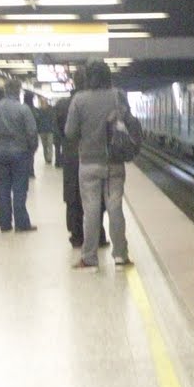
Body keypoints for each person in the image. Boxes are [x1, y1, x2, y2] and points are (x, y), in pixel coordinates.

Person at [65, 59, 132, 269]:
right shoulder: (118, 95)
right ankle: (120, 255)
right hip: (114, 162)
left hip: (88, 163)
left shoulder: (79, 99)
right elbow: (129, 123)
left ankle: (89, 257)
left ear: (87, 77)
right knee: (115, 207)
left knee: (91, 210)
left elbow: (69, 132)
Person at [58, 69, 108, 250]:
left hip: (71, 156)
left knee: (72, 197)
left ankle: (77, 235)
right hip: (94, 155)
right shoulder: (98, 102)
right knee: (95, 198)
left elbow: (63, 132)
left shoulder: (63, 105)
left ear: (73, 83)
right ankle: (99, 235)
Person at [0, 79, 39, 233]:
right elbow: (31, 132)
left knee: (2, 188)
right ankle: (21, 223)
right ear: (18, 91)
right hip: (20, 153)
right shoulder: (23, 110)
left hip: (0, 152)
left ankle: (5, 224)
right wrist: (32, 150)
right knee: (19, 188)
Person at [23, 90, 38, 178]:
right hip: (32, 135)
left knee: (24, 155)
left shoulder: (22, 108)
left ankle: (25, 171)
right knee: (31, 155)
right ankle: (31, 171)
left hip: (22, 136)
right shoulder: (33, 110)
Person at [36, 97, 55, 166]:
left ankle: (49, 158)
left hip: (50, 130)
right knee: (44, 146)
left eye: (44, 102)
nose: (43, 104)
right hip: (42, 130)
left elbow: (53, 119)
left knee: (50, 144)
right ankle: (46, 158)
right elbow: (38, 121)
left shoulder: (51, 110)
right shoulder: (39, 110)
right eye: (42, 102)